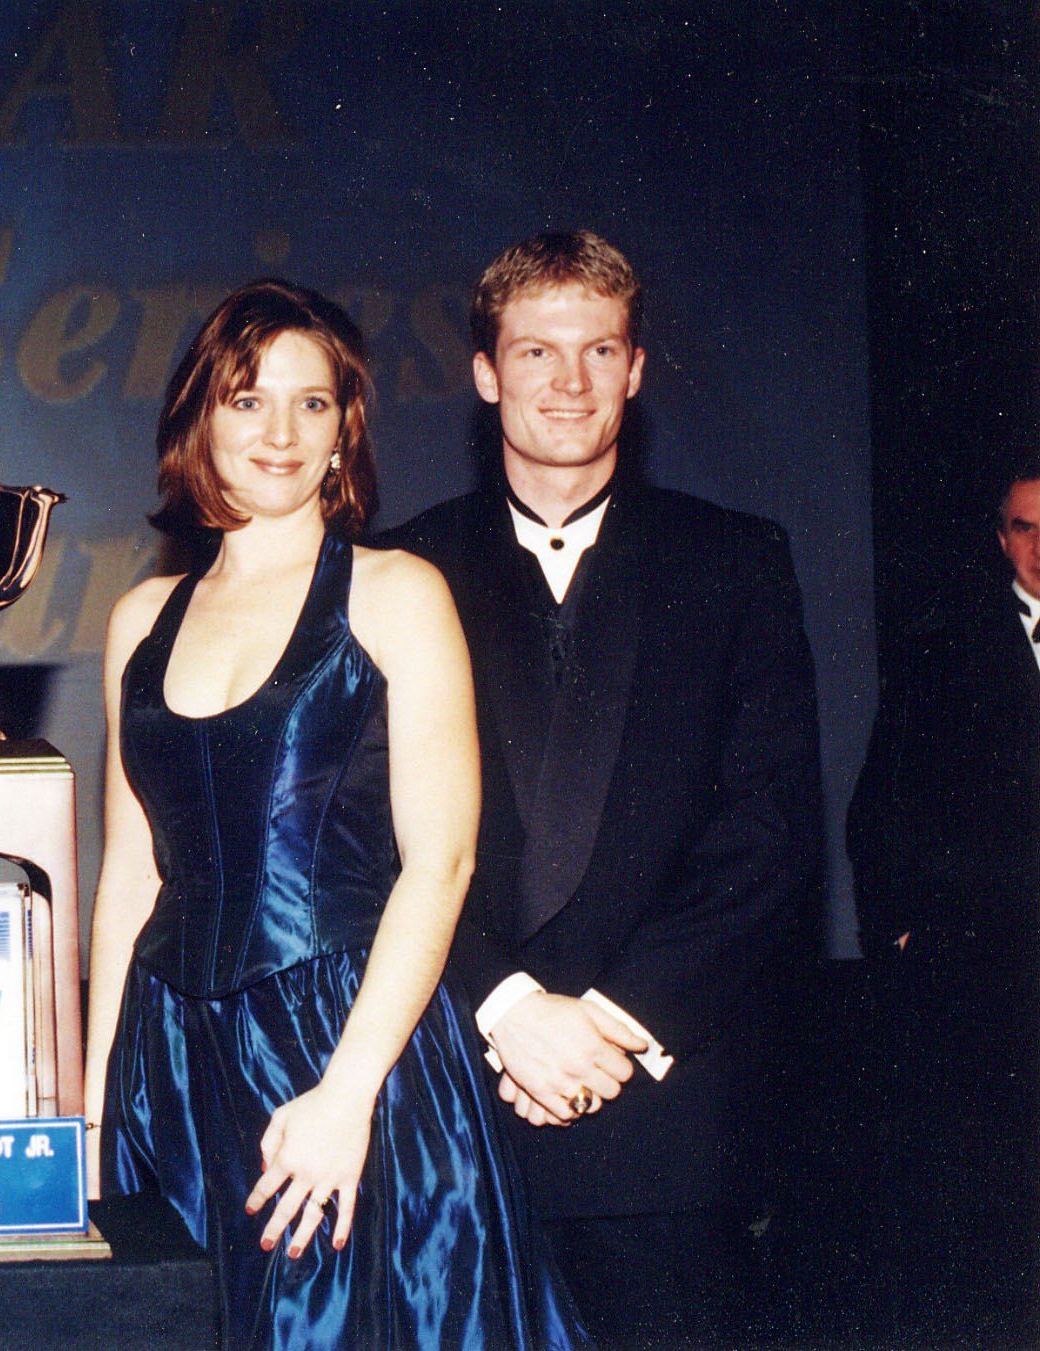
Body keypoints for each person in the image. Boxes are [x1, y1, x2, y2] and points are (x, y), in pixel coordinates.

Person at [84, 279, 586, 1349]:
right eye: (247, 398)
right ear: (199, 417)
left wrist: (346, 1094)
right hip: (169, 1066)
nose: (278, 432)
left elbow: (440, 864)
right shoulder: (138, 618)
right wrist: (90, 1113)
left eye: (312, 405)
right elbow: (130, 875)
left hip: (351, 1051)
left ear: (344, 429)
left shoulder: (397, 591)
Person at [388, 230, 823, 1346]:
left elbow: (771, 833)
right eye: (536, 353)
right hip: (458, 1105)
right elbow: (368, 838)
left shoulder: (738, 560)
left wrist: (613, 1026)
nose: (568, 383)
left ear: (636, 369)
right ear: (487, 376)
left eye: (599, 351)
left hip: (669, 1132)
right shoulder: (399, 572)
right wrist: (509, 1009)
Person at [845, 459, 1040, 1340]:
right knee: (988, 1182)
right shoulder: (945, 649)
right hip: (986, 965)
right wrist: (900, 934)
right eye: (1026, 528)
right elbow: (878, 800)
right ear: (1001, 541)